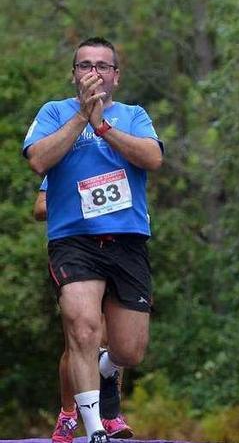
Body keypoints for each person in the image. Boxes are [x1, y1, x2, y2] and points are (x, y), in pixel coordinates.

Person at [22, 36, 163, 443]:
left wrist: (103, 125)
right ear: (74, 74)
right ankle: (94, 427)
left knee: (129, 352)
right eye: (86, 65)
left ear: (115, 76)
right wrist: (82, 118)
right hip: (74, 241)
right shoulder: (54, 112)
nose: (94, 72)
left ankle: (105, 369)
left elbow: (153, 158)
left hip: (127, 241)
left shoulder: (134, 115)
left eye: (103, 66)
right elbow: (38, 160)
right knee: (82, 328)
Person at [34, 184, 134, 443]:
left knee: (114, 339)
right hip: (76, 254)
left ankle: (109, 412)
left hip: (118, 254)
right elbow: (40, 207)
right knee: (80, 339)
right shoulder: (67, 163)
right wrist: (81, 204)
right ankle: (68, 413)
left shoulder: (117, 160)